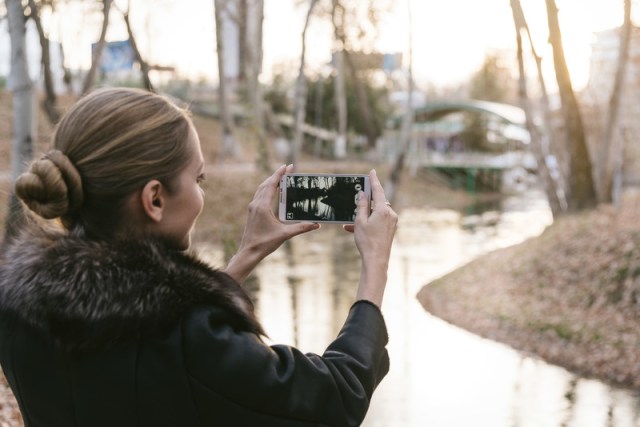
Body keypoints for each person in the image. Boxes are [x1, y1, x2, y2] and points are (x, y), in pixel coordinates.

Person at [0, 87, 398, 427]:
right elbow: (336, 396)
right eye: (198, 178)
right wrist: (374, 269)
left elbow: (149, 321)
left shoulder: (19, 309)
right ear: (155, 199)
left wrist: (246, 255)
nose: (200, 193)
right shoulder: (190, 342)